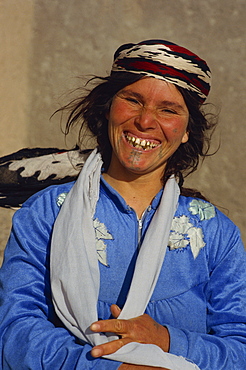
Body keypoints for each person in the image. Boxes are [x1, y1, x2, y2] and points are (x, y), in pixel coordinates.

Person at [0, 39, 245, 370]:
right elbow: (15, 331)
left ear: (186, 130)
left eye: (168, 109)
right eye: (133, 100)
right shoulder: (48, 213)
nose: (145, 122)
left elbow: (239, 347)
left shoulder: (215, 233)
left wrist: (167, 340)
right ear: (108, 108)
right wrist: (111, 367)